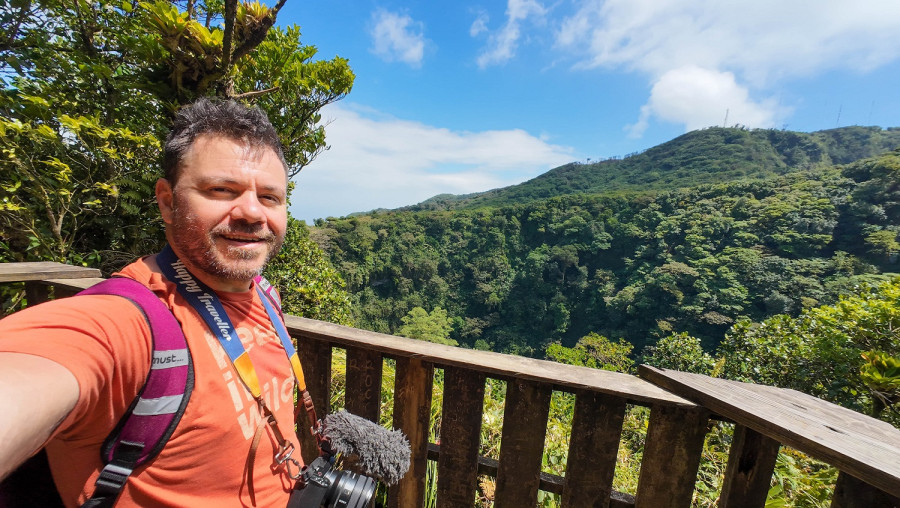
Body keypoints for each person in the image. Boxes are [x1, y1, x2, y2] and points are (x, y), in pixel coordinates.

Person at [0, 98, 303, 507]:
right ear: (166, 200)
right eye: (221, 190)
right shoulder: (130, 322)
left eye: (269, 197)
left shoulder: (265, 295)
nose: (251, 211)